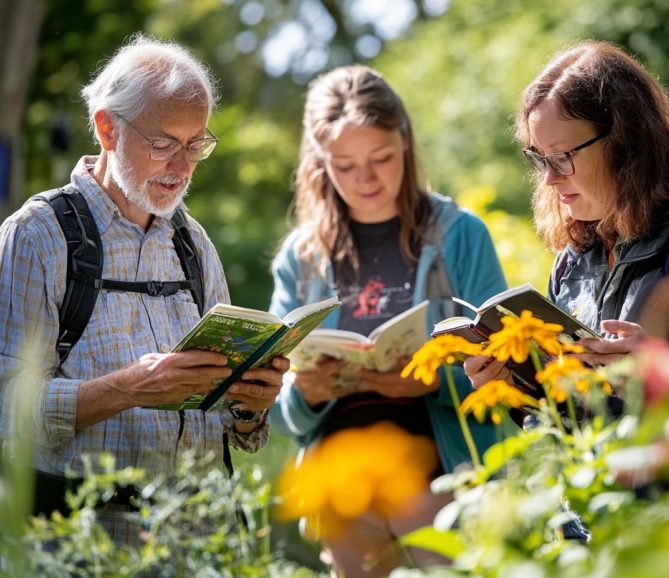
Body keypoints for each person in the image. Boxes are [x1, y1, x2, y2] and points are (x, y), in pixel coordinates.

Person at [0, 35, 285, 544]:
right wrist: (128, 389)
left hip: (204, 541)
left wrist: (248, 406)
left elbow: (236, 433)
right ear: (107, 129)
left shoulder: (193, 243)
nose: (182, 167)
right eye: (163, 144)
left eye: (196, 144)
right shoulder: (39, 235)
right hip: (89, 546)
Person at [269, 64, 508, 577]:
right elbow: (273, 402)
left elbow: (506, 370)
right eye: (345, 165)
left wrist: (427, 381)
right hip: (344, 494)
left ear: (405, 143)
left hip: (441, 482)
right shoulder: (302, 255)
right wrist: (306, 391)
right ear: (320, 163)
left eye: (380, 158)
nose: (366, 179)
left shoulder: (461, 235)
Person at [465, 39, 669, 389]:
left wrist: (658, 371)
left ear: (625, 143)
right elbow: (580, 414)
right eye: (540, 157)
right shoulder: (576, 254)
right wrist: (522, 388)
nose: (549, 177)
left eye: (562, 155)